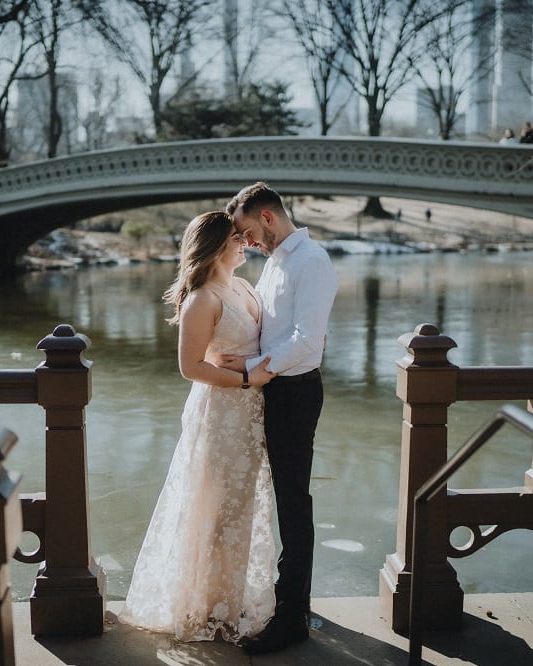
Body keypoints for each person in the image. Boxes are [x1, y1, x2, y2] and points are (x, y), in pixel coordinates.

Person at [120, 211, 278, 644]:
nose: (244, 241)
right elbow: (190, 368)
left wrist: (256, 366)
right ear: (213, 246)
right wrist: (246, 377)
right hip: (221, 413)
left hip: (250, 414)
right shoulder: (202, 299)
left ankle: (230, 597)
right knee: (214, 511)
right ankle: (207, 606)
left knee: (241, 509)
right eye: (235, 238)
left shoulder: (244, 287)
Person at [223, 182, 339, 655]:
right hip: (271, 389)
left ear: (267, 218)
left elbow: (309, 341)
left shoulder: (312, 262)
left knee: (293, 502)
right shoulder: (274, 263)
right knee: (280, 498)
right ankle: (290, 595)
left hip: (294, 394)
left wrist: (253, 371)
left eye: (249, 231)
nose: (247, 242)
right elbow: (273, 332)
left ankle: (292, 617)